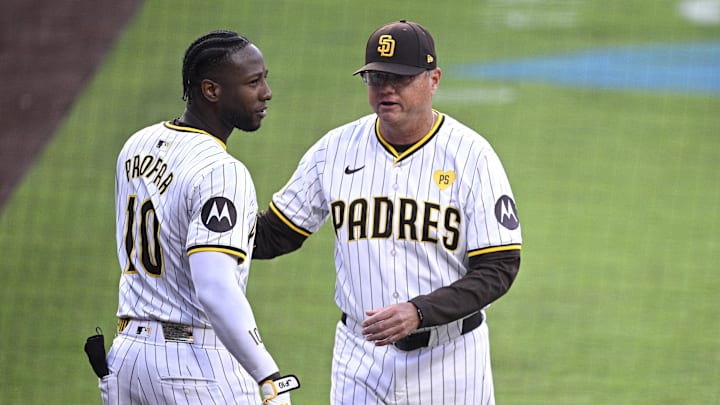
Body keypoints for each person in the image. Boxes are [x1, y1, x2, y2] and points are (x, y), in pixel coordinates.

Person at [253, 20, 522, 404]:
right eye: (377, 77)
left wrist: (420, 312)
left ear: (434, 79)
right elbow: (275, 234)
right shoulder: (335, 150)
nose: (386, 88)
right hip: (361, 360)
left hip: (450, 361)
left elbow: (499, 267)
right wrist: (192, 229)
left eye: (401, 77)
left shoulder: (472, 157)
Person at [103, 30, 299, 405]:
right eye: (253, 82)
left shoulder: (137, 145)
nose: (266, 92)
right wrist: (269, 375)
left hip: (127, 358)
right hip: (193, 367)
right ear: (211, 91)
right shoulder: (222, 171)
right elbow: (214, 287)